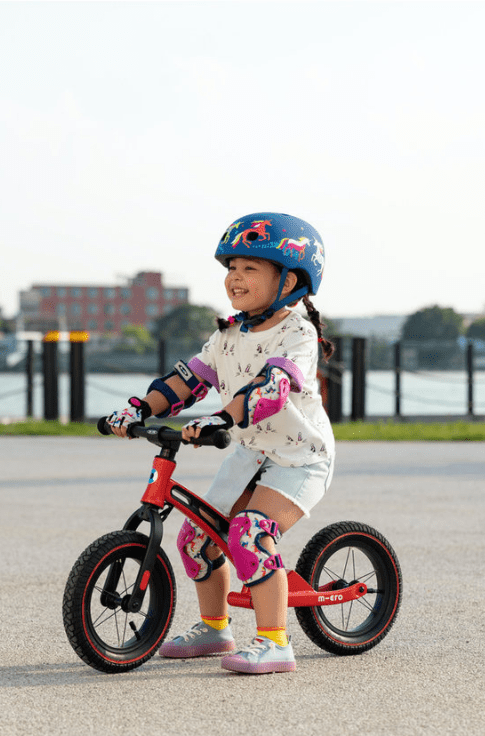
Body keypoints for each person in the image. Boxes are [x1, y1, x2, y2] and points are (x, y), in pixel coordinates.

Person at [105, 212, 335, 674]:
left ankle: (275, 642)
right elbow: (185, 380)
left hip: (298, 457)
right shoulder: (227, 334)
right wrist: (139, 409)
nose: (235, 278)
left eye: (250, 268)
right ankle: (215, 628)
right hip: (251, 453)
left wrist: (219, 417)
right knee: (195, 538)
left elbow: (272, 389)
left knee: (249, 532)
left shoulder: (297, 334)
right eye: (231, 268)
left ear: (289, 279)